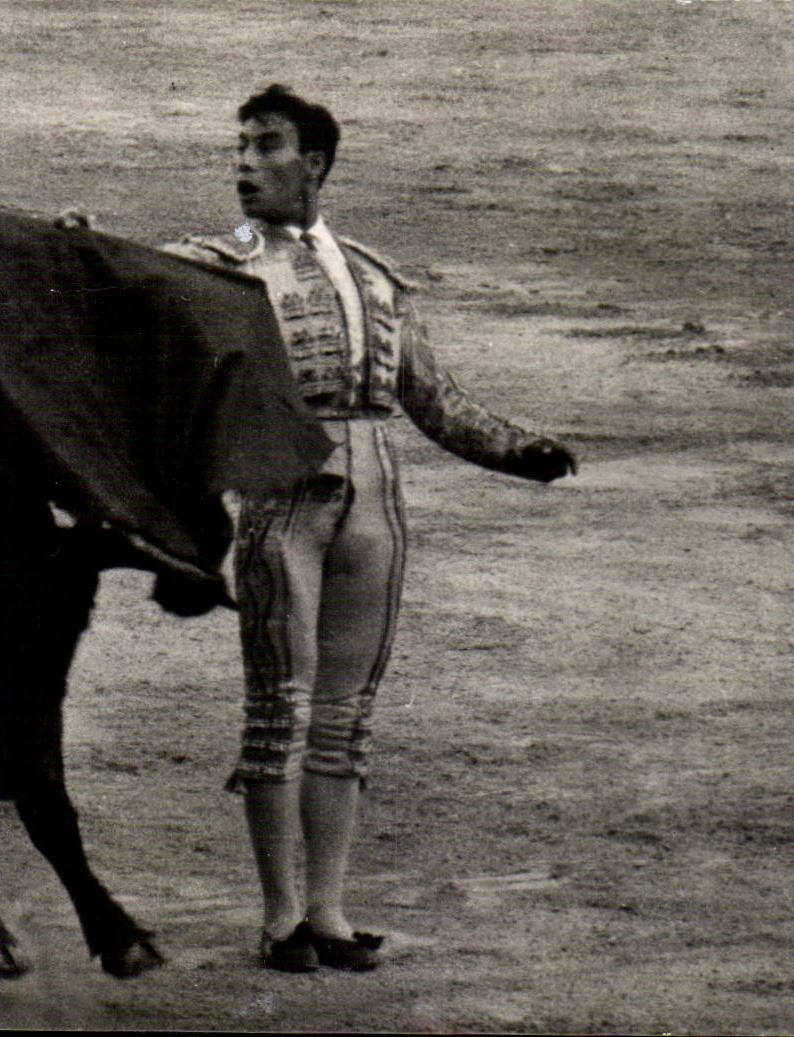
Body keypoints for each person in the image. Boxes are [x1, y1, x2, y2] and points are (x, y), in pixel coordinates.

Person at [162, 84, 577, 973]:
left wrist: (519, 450)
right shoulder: (208, 265)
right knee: (280, 709)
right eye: (238, 146)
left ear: (311, 163)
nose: (243, 163)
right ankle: (278, 919)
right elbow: (110, 293)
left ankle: (328, 912)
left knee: (344, 717)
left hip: (375, 507)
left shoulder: (374, 273)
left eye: (265, 145)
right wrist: (76, 244)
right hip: (281, 500)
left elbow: (432, 400)